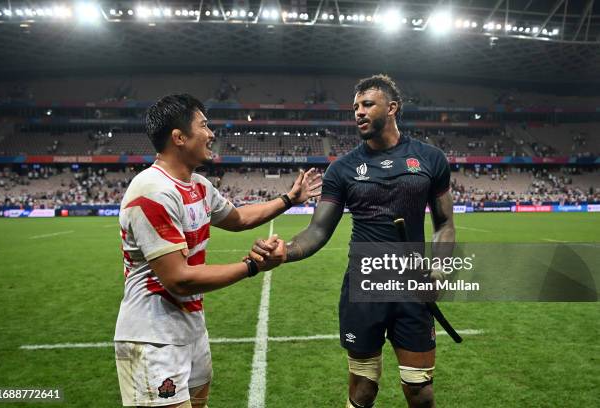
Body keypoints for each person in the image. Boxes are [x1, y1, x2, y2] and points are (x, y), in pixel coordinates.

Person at [250, 75, 455, 408]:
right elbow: (318, 230)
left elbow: (445, 223)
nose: (358, 112)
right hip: (364, 287)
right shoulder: (342, 169)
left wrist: (441, 270)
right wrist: (286, 250)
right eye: (355, 106)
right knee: (363, 390)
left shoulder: (430, 159)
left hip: (411, 289)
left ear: (392, 108)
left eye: (367, 105)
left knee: (420, 392)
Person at [114, 94, 320, 408]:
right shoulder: (153, 192)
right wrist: (252, 266)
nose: (212, 134)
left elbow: (239, 219)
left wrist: (289, 199)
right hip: (153, 337)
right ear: (179, 137)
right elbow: (179, 279)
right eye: (204, 126)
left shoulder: (199, 185)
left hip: (190, 327)